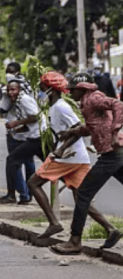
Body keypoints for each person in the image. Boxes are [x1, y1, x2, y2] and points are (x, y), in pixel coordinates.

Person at [27, 72, 118, 241]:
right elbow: (77, 129)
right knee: (81, 197)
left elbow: (78, 127)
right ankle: (110, 229)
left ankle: (56, 225)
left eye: (42, 86)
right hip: (78, 157)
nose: (39, 89)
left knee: (33, 182)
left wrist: (61, 149)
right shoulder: (55, 106)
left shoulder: (64, 106)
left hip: (67, 156)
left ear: (51, 89)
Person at [50, 73, 123, 255]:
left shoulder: (94, 98)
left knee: (82, 194)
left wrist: (115, 131)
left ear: (82, 88)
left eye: (72, 90)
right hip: (114, 153)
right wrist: (71, 132)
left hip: (111, 154)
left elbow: (118, 105)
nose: (69, 93)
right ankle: (112, 231)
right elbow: (91, 126)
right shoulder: (86, 102)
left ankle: (75, 241)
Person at [0, 79, 44, 204]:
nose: (10, 93)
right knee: (16, 161)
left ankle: (15, 195)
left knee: (12, 160)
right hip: (32, 137)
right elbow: (29, 120)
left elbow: (35, 117)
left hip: (37, 138)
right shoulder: (19, 100)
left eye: (13, 90)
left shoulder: (24, 99)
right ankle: (25, 195)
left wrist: (16, 123)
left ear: (19, 90)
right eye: (8, 90)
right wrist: (16, 129)